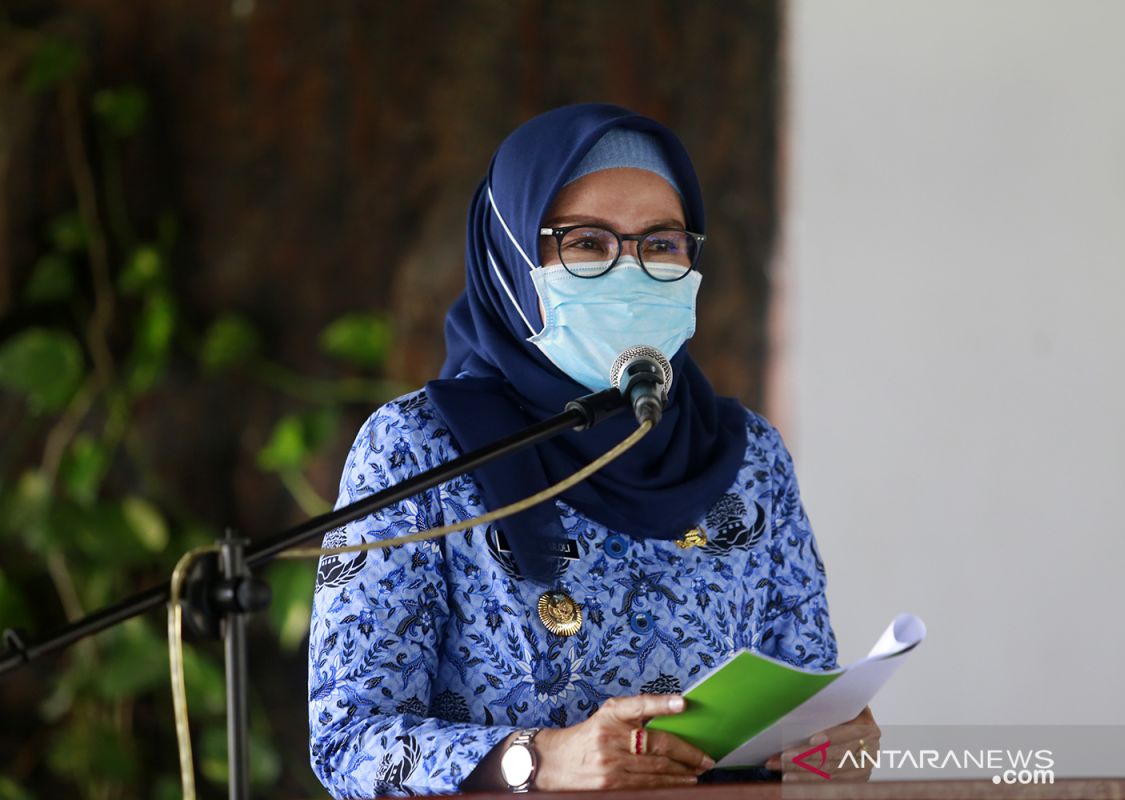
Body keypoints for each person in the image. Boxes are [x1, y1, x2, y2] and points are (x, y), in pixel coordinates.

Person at [307, 103, 879, 797]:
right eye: (586, 243)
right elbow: (348, 742)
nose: (629, 273)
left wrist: (831, 752)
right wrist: (542, 760)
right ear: (510, 259)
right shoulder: (419, 453)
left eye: (662, 244)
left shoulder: (748, 457)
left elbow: (800, 714)